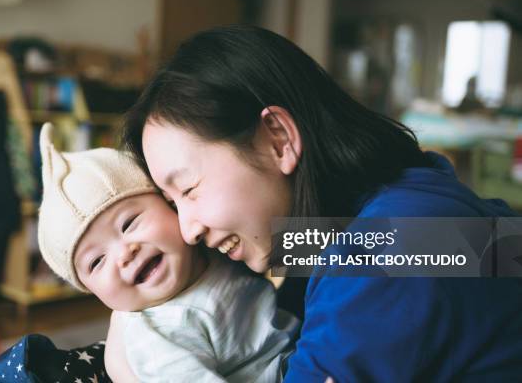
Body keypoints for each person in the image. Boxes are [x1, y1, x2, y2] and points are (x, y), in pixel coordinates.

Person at [124, 25, 522, 381]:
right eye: (173, 204)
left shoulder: (390, 249)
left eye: (190, 189)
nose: (189, 229)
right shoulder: (384, 206)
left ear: (277, 138)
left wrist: (133, 365)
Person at [36, 122, 298, 382]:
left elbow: (321, 246)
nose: (124, 254)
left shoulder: (211, 246)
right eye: (96, 262)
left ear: (170, 206)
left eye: (128, 224)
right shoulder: (154, 336)